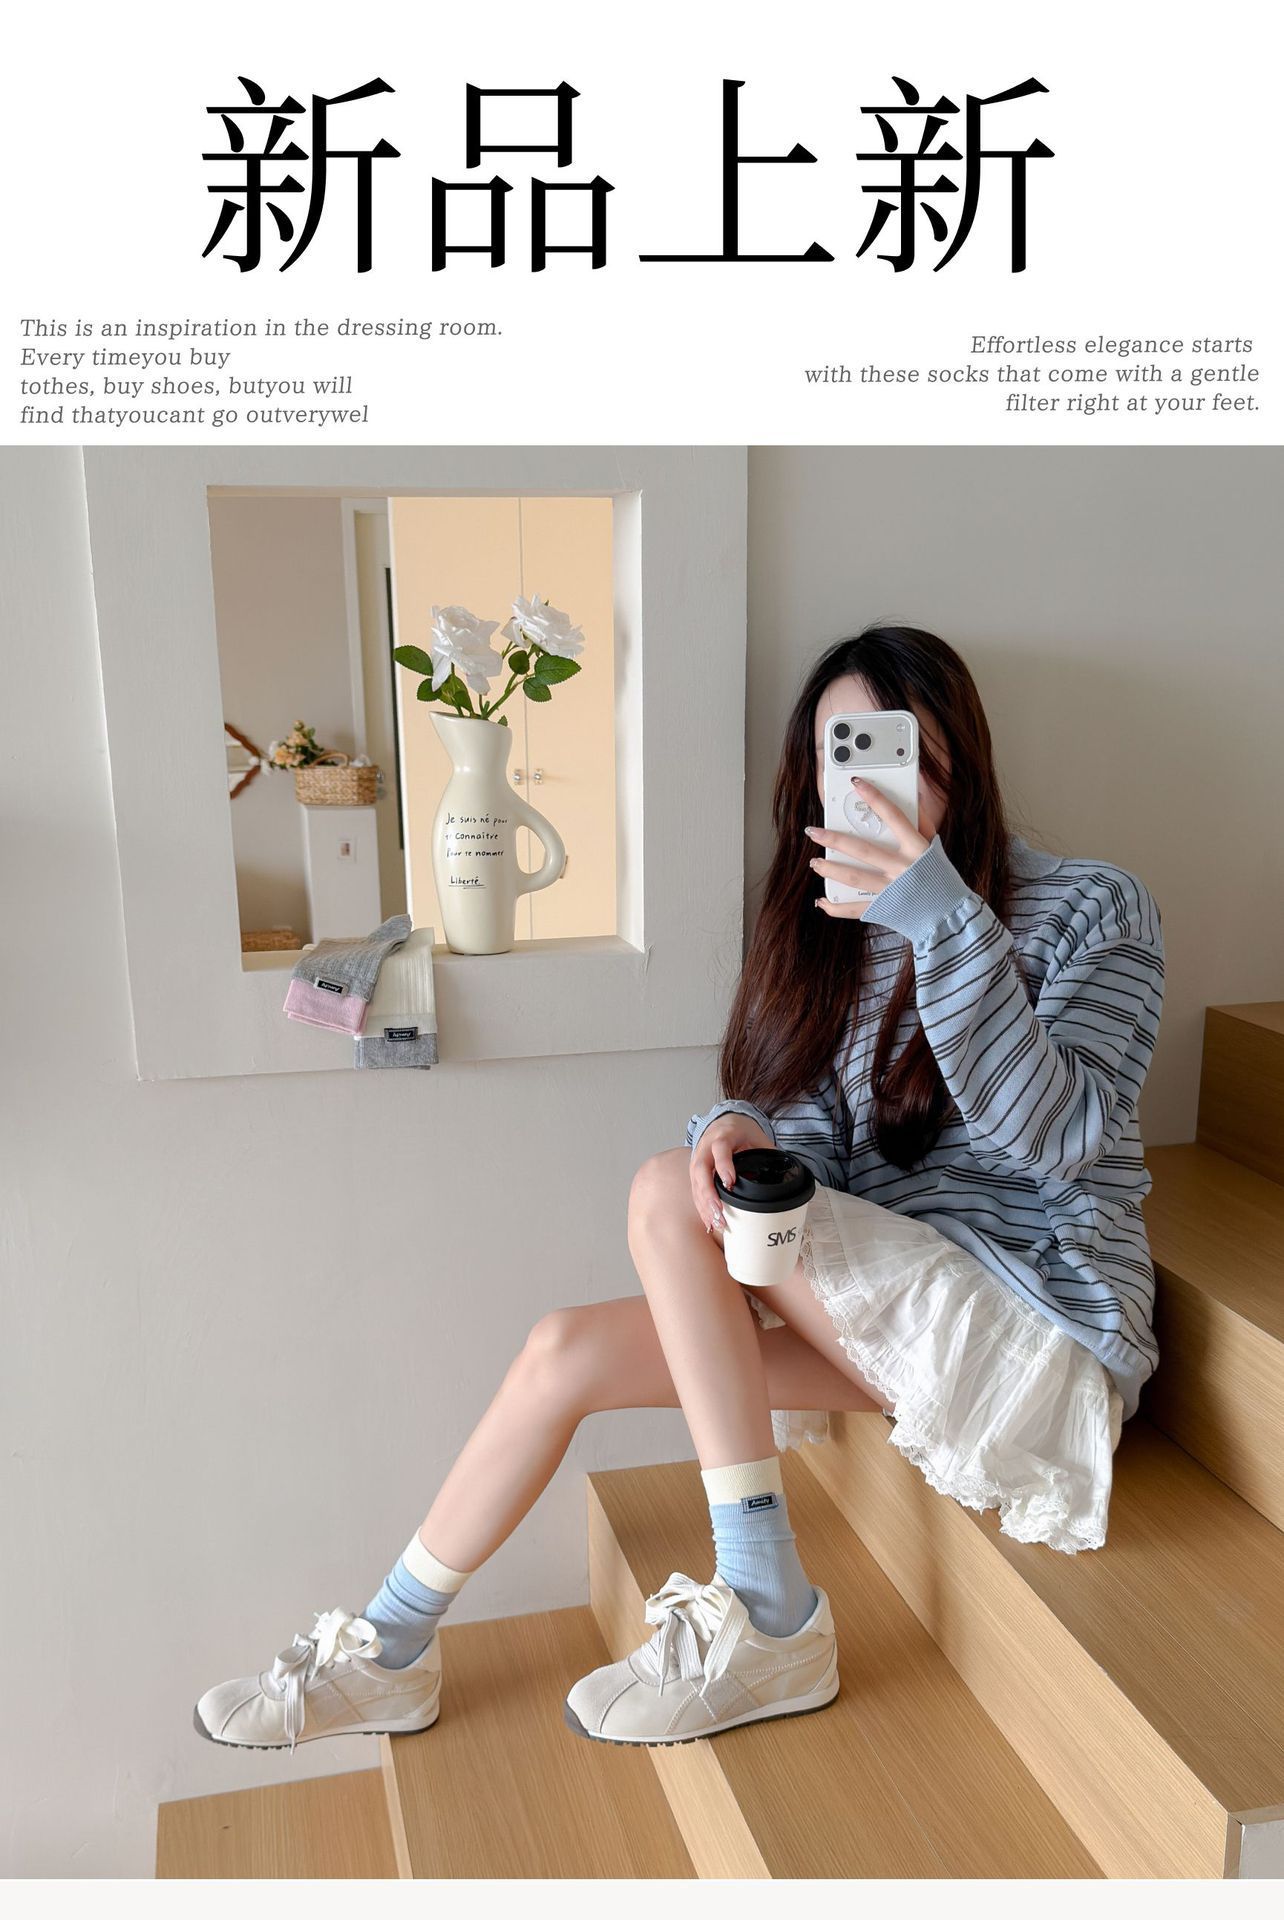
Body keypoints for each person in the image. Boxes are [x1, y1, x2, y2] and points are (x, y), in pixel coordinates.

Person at [193, 625, 1165, 1754]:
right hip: (899, 1321)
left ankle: (768, 1607)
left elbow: (1059, 1139)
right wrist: (742, 1130)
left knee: (662, 1191)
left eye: (892, 750)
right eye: (837, 758)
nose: (864, 787)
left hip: (1039, 1331)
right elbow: (817, 1160)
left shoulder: (1094, 906)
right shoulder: (829, 930)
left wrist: (940, 920)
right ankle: (388, 1649)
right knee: (565, 1347)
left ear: (959, 754)